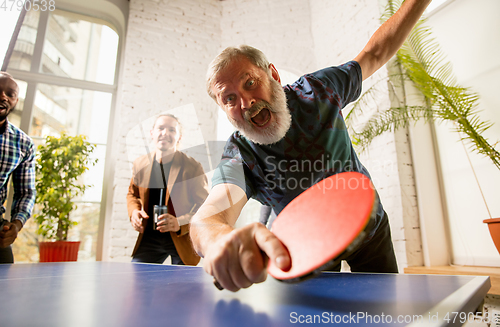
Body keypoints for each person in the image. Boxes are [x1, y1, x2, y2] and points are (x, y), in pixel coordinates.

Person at [190, 0, 432, 291]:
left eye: (250, 82)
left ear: (274, 75)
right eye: (229, 98)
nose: (246, 102)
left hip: (370, 230)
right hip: (305, 250)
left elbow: (374, 53)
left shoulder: (318, 91)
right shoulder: (240, 154)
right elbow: (211, 213)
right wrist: (218, 241)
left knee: (382, 313)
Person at [127, 114, 209, 265]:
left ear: (179, 137)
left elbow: (205, 207)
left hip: (180, 239)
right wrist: (134, 212)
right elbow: (132, 194)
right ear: (152, 133)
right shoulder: (140, 164)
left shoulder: (193, 167)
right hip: (149, 238)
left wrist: (179, 222)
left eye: (172, 130)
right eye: (161, 128)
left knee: (181, 287)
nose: (165, 133)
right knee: (136, 281)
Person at [0, 72, 36, 264]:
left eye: (10, 94)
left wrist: (16, 224)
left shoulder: (23, 143)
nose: (3, 96)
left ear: (15, 101)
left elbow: (26, 193)